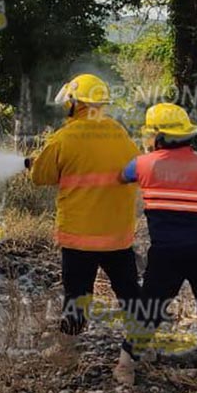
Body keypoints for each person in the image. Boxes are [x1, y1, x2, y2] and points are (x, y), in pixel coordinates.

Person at [115, 102, 197, 388]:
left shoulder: (141, 164)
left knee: (150, 308)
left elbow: (121, 177)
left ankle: (125, 366)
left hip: (166, 253)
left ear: (157, 136)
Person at [27, 74, 141, 362]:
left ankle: (68, 348)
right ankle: (142, 344)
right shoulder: (119, 133)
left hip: (80, 237)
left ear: (75, 103)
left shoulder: (64, 137)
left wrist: (34, 162)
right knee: (129, 291)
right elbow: (134, 169)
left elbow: (41, 176)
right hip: (117, 234)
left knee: (77, 293)